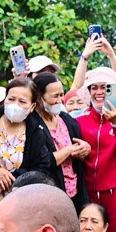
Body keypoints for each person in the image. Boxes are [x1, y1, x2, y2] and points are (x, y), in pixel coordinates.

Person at [0, 76, 58, 214]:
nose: (15, 105)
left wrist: (7, 179)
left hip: (21, 207)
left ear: (32, 106)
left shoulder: (36, 133)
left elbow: (41, 169)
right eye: (11, 99)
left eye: (22, 102)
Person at [74, 66, 116, 230]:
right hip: (87, 191)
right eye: (94, 87)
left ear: (115, 91)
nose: (99, 92)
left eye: (105, 87)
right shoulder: (78, 120)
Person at [35, 69, 89, 203]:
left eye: (62, 95)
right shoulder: (33, 125)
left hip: (75, 191)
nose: (60, 100)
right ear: (39, 97)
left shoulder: (66, 119)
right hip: (50, 195)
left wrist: (85, 148)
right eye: (55, 96)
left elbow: (81, 144)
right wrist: (70, 149)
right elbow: (44, 161)